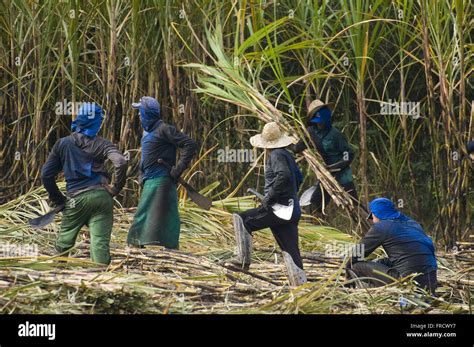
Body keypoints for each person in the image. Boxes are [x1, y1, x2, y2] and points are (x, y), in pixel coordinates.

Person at [41, 103, 128, 265]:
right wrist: (116, 188)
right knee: (100, 243)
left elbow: (46, 176)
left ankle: (56, 275)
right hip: (102, 197)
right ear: (96, 122)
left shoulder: (63, 144)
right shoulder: (103, 144)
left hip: (76, 200)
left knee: (64, 241)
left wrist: (59, 199)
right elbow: (121, 161)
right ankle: (102, 280)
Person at [229, 122, 306, 287]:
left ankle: (242, 261)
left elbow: (283, 176)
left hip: (280, 210)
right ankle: (301, 287)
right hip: (292, 210)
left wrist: (270, 198)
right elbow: (298, 178)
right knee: (291, 251)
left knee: (242, 219)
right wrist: (288, 195)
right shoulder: (287, 155)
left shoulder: (275, 155)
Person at [127, 96, 197, 249]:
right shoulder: (147, 132)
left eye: (141, 112)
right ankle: (140, 246)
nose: (138, 115)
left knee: (160, 215)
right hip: (149, 179)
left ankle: (163, 248)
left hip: (162, 181)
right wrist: (141, 173)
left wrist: (178, 168)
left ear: (147, 114)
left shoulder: (164, 129)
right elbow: (145, 156)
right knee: (151, 214)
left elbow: (189, 144)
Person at [346, 198, 438, 295]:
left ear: (376, 214)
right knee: (383, 261)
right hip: (430, 281)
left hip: (406, 282)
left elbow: (356, 254)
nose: (372, 220)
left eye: (372, 216)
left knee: (355, 265)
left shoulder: (381, 227)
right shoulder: (413, 224)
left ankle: (359, 291)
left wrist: (346, 275)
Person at [293, 99, 358, 213]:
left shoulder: (335, 134)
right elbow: (297, 148)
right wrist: (301, 141)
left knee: (354, 206)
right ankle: (320, 225)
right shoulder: (311, 132)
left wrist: (335, 166)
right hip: (326, 175)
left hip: (342, 175)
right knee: (316, 204)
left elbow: (349, 154)